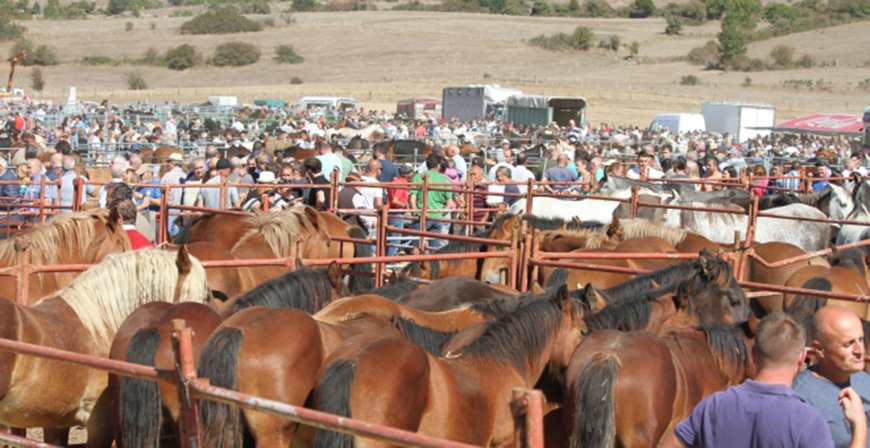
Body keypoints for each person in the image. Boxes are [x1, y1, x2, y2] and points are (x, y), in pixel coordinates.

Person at [662, 312, 860, 448]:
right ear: (801, 359)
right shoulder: (808, 421)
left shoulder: (712, 406)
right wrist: (859, 427)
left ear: (753, 354)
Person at [793, 305, 870, 448]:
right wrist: (859, 425)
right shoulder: (803, 400)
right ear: (820, 349)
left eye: (861, 339)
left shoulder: (864, 379)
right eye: (849, 344)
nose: (860, 351)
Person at [409, 153, 454, 250]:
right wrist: (441, 213)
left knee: (418, 248)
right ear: (438, 165)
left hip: (422, 216)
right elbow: (450, 203)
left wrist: (416, 213)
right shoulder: (444, 180)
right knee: (434, 249)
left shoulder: (418, 177)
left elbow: (412, 200)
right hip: (437, 217)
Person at [386, 164, 413, 256]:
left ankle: (388, 259)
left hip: (391, 212)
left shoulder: (395, 181)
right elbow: (395, 200)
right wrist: (405, 206)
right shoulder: (402, 183)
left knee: (391, 237)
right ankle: (391, 261)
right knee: (395, 238)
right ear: (409, 174)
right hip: (396, 212)